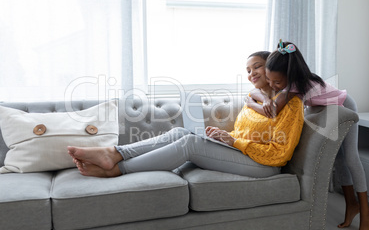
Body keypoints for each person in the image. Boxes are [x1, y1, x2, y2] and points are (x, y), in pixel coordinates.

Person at [67, 52, 304, 181]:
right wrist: (225, 136)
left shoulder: (291, 105)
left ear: (274, 67)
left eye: (258, 66)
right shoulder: (255, 99)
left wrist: (234, 141)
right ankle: (115, 153)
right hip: (244, 152)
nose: (252, 73)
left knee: (190, 144)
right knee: (181, 132)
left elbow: (278, 154)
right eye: (248, 70)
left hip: (264, 166)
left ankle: (117, 169)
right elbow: (246, 134)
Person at [247, 40, 369, 230]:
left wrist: (250, 102)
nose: (272, 85)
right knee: (338, 160)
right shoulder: (287, 82)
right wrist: (266, 96)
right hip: (325, 109)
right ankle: (352, 205)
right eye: (269, 81)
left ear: (290, 77)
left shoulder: (294, 86)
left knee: (350, 158)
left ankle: (366, 211)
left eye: (276, 83)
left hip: (344, 106)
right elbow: (262, 93)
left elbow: (270, 112)